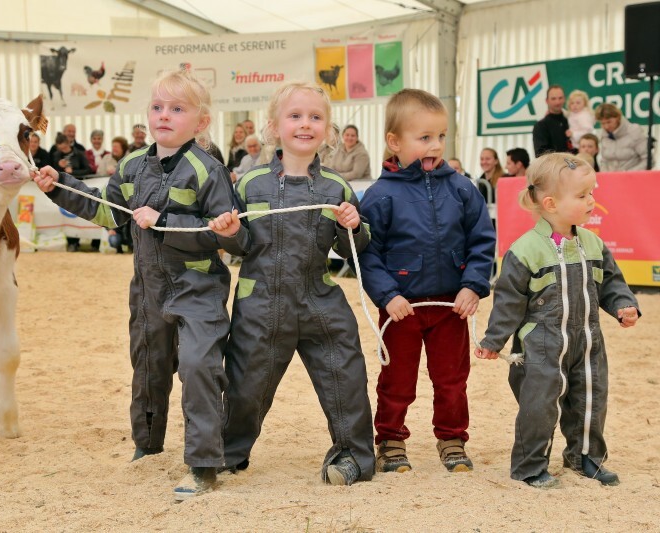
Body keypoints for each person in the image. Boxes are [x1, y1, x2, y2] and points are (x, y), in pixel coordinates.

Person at [33, 69, 249, 500]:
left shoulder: (208, 170)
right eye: (157, 107)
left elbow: (230, 238)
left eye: (177, 108)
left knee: (198, 367)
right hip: (147, 289)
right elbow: (107, 212)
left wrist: (166, 221)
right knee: (148, 367)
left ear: (201, 122)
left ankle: (203, 464)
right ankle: (147, 446)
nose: (164, 115)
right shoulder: (131, 165)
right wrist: (60, 187)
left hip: (198, 289)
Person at [217, 81, 375, 487]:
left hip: (320, 300)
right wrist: (231, 233)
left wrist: (353, 226)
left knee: (346, 376)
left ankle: (354, 457)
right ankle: (228, 454)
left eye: (315, 117)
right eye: (295, 116)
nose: (306, 124)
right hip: (260, 303)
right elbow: (240, 244)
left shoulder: (337, 188)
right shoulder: (250, 184)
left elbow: (352, 249)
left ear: (328, 129)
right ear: (274, 127)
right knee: (246, 386)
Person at [475, 153, 641, 488]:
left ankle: (585, 457)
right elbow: (508, 301)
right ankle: (530, 466)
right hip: (541, 345)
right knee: (539, 406)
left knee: (590, 401)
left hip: (588, 342)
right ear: (550, 203)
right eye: (582, 195)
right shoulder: (525, 250)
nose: (591, 200)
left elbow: (611, 282)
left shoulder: (593, 244)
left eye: (591, 193)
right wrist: (494, 340)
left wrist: (624, 304)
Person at [359, 88, 496, 475]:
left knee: (452, 379)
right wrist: (387, 296)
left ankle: (452, 438)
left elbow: (482, 241)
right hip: (401, 309)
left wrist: (472, 285)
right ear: (395, 142)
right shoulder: (379, 195)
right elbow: (368, 253)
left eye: (441, 136)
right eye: (424, 137)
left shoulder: (463, 189)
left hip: (451, 306)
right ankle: (390, 440)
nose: (435, 145)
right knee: (397, 379)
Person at [595, 103, 649, 172]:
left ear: (618, 118)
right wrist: (605, 175)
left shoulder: (634, 131)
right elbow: (604, 161)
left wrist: (628, 174)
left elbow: (647, 160)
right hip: (611, 178)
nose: (606, 127)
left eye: (609, 122)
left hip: (634, 177)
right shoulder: (604, 135)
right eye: (603, 123)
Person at [533, 85, 572, 157]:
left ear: (564, 99)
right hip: (553, 163)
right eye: (553, 99)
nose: (557, 102)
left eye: (560, 98)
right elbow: (540, 154)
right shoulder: (541, 126)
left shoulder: (571, 121)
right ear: (547, 101)